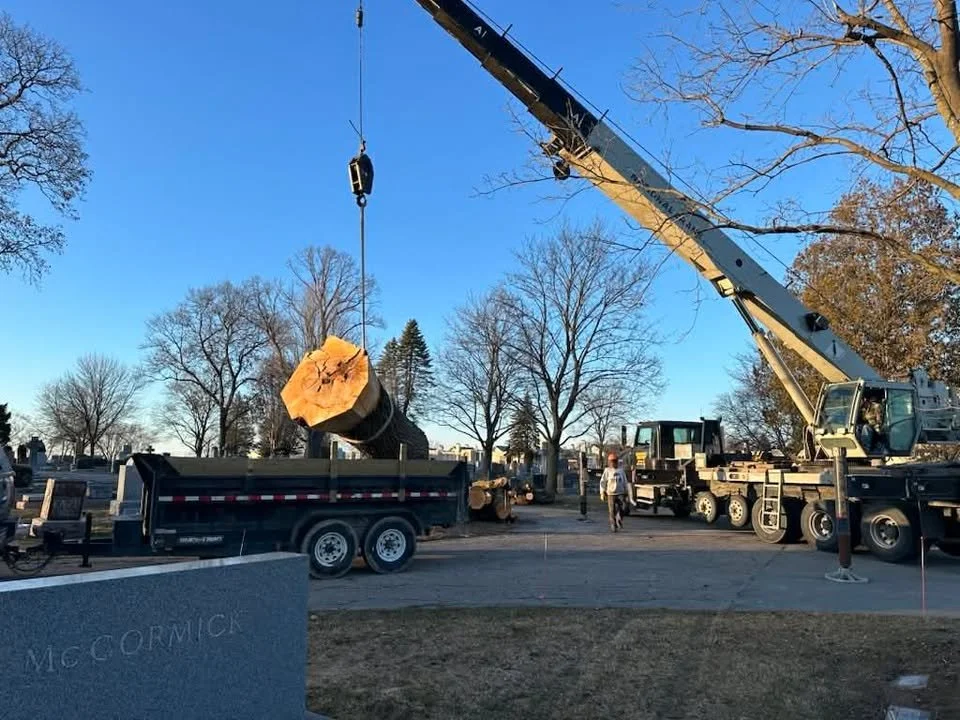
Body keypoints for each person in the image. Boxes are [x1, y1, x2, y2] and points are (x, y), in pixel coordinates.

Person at [599, 452, 632, 532]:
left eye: (615, 461)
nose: (613, 463)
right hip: (611, 493)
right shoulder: (607, 471)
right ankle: (613, 524)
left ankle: (619, 518)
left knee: (624, 507)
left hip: (620, 492)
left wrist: (627, 491)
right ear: (609, 462)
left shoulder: (621, 471)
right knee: (612, 510)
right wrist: (602, 491)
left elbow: (625, 481)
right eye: (612, 461)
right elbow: (603, 482)